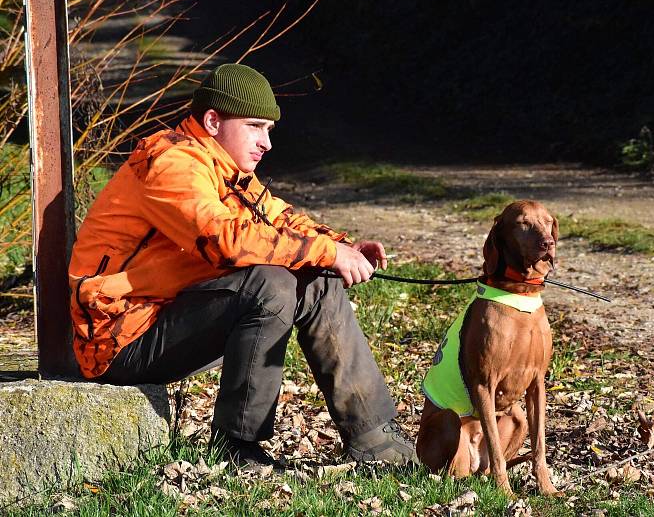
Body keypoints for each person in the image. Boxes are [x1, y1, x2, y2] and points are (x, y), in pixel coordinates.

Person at [68, 63, 416, 466]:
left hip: (170, 315)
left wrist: (341, 247)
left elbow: (278, 219)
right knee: (270, 286)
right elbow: (225, 240)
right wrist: (329, 253)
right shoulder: (170, 163)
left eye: (269, 130)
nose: (266, 142)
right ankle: (236, 444)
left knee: (316, 279)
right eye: (255, 126)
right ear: (213, 120)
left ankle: (375, 439)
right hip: (120, 340)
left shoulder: (223, 168)